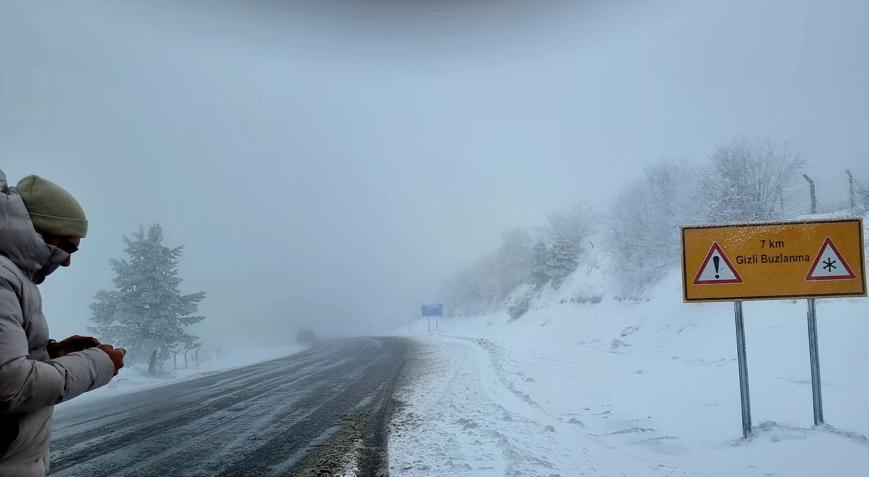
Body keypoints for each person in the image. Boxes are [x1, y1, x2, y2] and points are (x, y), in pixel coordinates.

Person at [0, 170, 125, 477]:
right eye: (67, 247)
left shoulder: (14, 276)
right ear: (41, 231)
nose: (68, 261)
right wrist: (98, 363)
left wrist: (50, 354)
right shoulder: (3, 277)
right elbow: (10, 384)